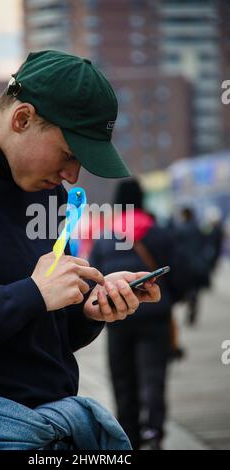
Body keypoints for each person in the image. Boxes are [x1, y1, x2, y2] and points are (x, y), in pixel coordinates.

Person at [0, 50, 161, 450]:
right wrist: (31, 294)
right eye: (69, 154)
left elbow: (41, 338)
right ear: (22, 119)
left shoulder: (48, 194)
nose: (72, 175)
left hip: (58, 423)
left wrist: (89, 308)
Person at [89, 178, 175, 450]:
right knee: (153, 377)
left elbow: (95, 278)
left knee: (123, 380)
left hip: (119, 320)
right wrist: (170, 300)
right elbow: (180, 273)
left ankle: (129, 438)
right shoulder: (158, 232)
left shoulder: (106, 237)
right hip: (155, 319)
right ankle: (155, 432)